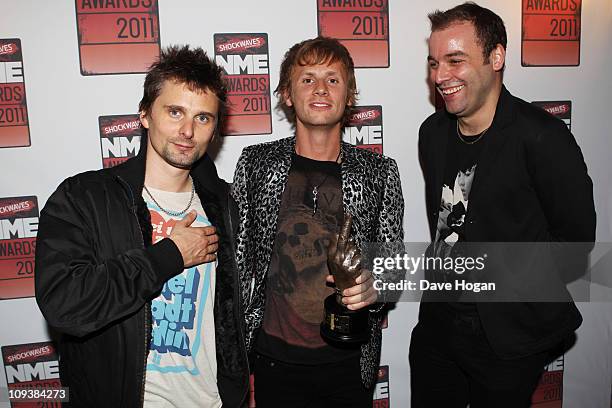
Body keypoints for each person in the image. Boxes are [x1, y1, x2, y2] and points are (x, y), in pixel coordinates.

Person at [35, 45, 249, 407]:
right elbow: (65, 304)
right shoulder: (85, 198)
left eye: (202, 118)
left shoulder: (227, 206)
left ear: (216, 129)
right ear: (145, 114)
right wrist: (167, 256)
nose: (186, 131)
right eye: (175, 112)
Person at [412, 3, 596, 407]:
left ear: (496, 57)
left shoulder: (543, 138)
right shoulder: (432, 133)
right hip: (438, 324)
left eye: (455, 60)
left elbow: (575, 246)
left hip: (506, 336)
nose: (440, 76)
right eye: (434, 62)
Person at [232, 37, 404, 407]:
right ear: (287, 94)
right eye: (308, 78)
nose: (321, 88)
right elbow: (239, 261)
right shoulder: (256, 165)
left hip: (348, 362)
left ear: (350, 94)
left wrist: (375, 288)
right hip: (273, 361)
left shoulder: (378, 173)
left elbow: (393, 265)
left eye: (333, 79)